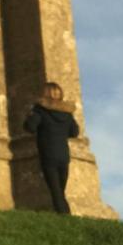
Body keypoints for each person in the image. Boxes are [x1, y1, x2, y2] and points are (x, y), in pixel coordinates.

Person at [24, 81, 80, 214]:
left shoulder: (40, 110)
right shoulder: (67, 113)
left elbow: (30, 128)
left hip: (48, 154)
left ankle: (65, 218)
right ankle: (66, 215)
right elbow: (74, 132)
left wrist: (29, 116)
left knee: (56, 191)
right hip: (64, 155)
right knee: (60, 190)